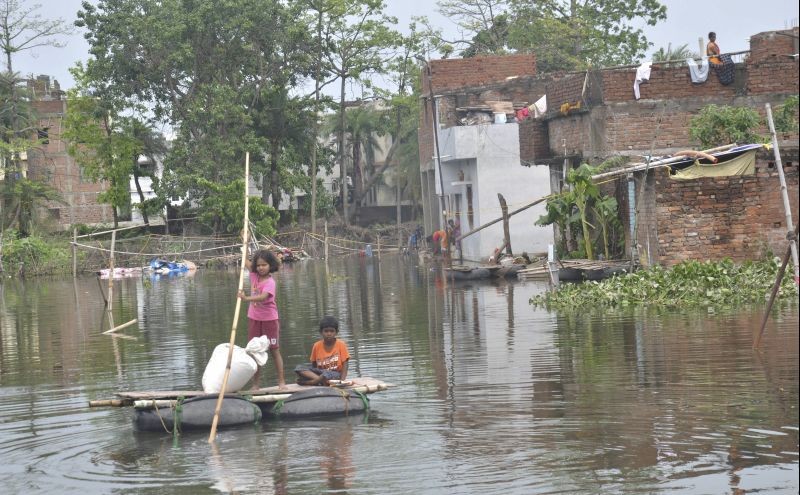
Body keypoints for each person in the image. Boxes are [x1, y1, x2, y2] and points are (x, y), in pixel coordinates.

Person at [238, 249, 287, 390]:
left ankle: (281, 381)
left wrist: (246, 298)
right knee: (254, 350)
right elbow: (245, 261)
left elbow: (263, 297)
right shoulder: (254, 276)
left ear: (270, 265)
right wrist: (245, 245)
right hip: (254, 319)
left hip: (269, 320)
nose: (260, 268)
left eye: (264, 265)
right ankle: (256, 384)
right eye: (258, 265)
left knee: (274, 350)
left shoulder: (270, 282)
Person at [294, 316, 351, 386]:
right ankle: (321, 381)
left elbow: (345, 365)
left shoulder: (341, 344)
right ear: (321, 332)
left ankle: (312, 382)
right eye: (326, 331)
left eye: (332, 331)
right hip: (320, 373)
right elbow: (314, 365)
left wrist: (342, 381)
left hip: (335, 374)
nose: (329, 334)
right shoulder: (316, 345)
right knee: (299, 368)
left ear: (336, 332)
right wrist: (312, 374)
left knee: (326, 374)